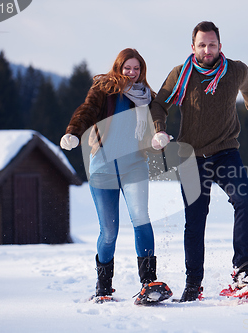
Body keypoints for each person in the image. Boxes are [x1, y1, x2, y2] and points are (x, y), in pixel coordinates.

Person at [150, 21, 248, 302]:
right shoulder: (181, 74)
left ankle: (241, 272)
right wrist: (160, 129)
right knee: (195, 220)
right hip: (191, 156)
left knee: (244, 201)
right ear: (193, 47)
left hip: (226, 151)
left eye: (212, 44)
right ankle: (193, 283)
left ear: (220, 46)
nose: (207, 50)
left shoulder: (235, 71)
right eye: (202, 45)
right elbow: (159, 104)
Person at [60, 48, 172, 305]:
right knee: (109, 231)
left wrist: (160, 136)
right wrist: (74, 132)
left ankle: (148, 283)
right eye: (127, 68)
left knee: (141, 218)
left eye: (137, 69)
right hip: (103, 167)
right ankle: (103, 287)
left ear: (142, 70)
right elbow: (87, 110)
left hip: (135, 165)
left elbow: (158, 119)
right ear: (118, 67)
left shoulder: (147, 97)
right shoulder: (103, 89)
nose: (132, 74)